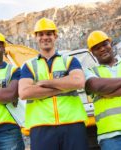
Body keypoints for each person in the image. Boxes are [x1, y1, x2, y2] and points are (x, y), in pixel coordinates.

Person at [19, 17, 89, 150]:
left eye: (49, 34)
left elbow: (78, 81)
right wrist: (64, 86)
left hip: (73, 124)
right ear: (36, 37)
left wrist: (44, 83)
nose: (45, 37)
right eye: (41, 34)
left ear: (55, 36)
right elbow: (24, 92)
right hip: (41, 127)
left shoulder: (69, 60)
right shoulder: (29, 66)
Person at [85, 30, 121, 150]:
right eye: (96, 48)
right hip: (112, 137)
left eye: (105, 44)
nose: (102, 49)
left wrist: (108, 91)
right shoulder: (90, 72)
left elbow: (103, 88)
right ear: (92, 53)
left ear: (111, 44)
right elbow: (98, 87)